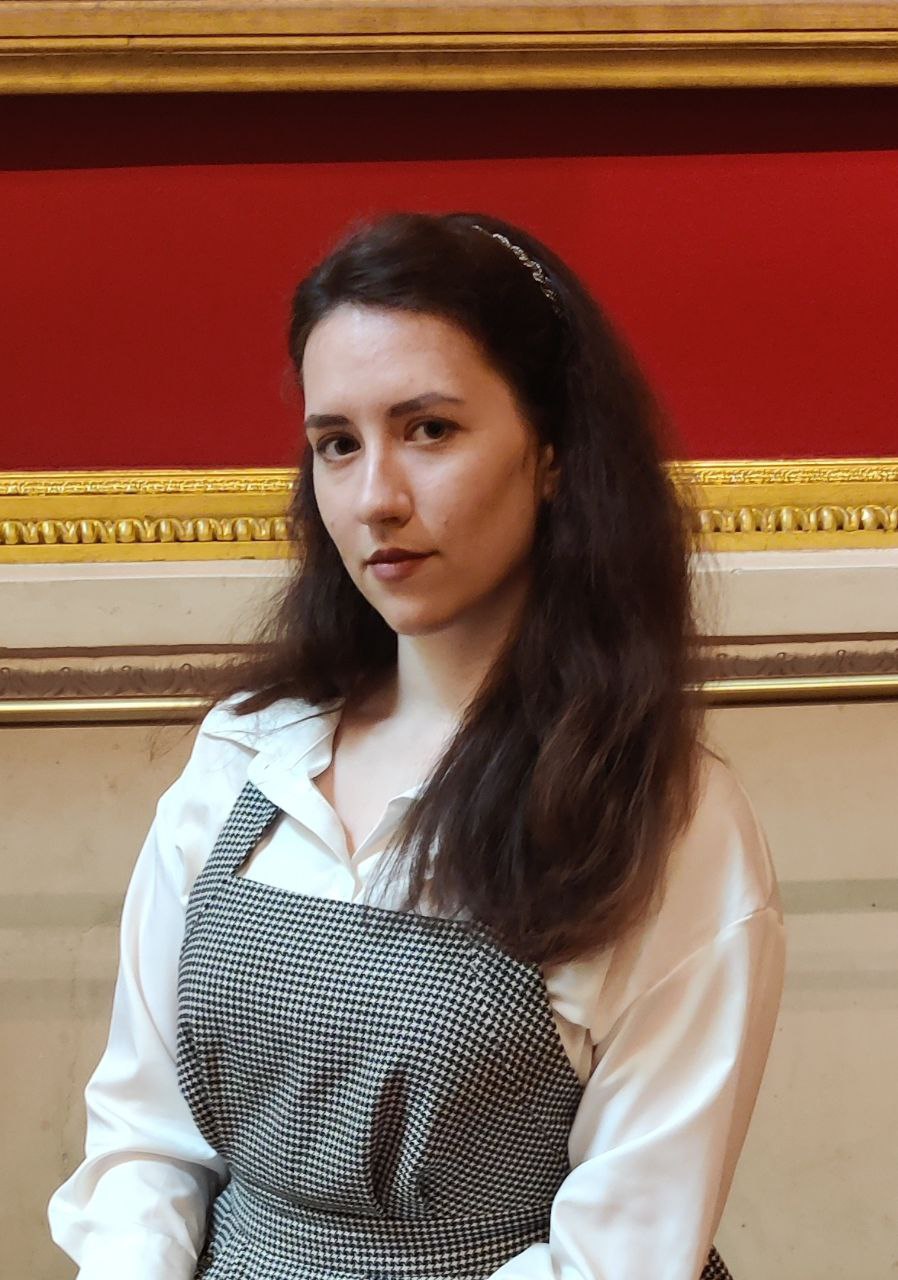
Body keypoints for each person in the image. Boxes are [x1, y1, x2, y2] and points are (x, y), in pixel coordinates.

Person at [48, 211, 786, 1280]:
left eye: (429, 430)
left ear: (551, 454)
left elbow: (620, 1249)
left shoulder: (665, 816)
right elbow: (144, 1139)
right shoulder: (250, 751)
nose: (375, 499)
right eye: (337, 444)